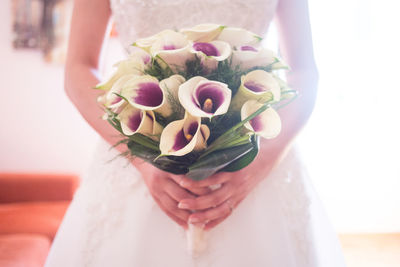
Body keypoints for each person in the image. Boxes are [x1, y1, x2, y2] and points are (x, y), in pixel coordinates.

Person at [45, 0, 347, 266]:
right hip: (141, 158)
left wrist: (260, 161)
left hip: (252, 156)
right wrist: (142, 159)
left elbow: (304, 71)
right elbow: (78, 67)